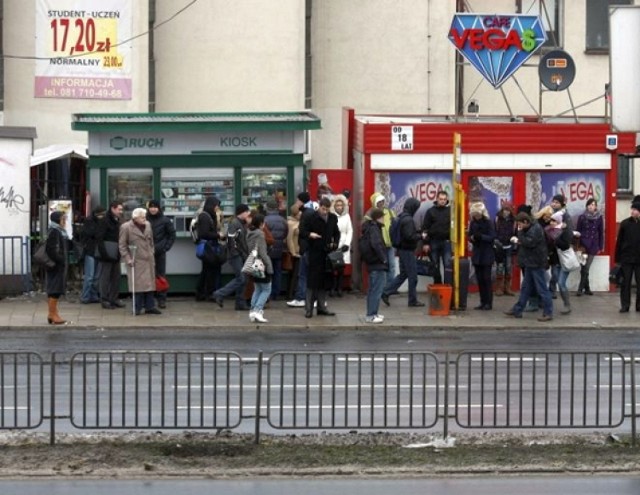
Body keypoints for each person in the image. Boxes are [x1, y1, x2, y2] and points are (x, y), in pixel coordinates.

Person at [504, 212, 554, 321]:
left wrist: (519, 235)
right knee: (525, 288)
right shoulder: (531, 227)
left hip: (536, 263)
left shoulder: (535, 229)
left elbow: (529, 242)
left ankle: (548, 312)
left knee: (542, 289)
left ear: (526, 222)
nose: (519, 227)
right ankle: (518, 309)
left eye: (520, 224)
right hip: (530, 263)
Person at [381, 197, 425, 307]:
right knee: (413, 276)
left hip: (401, 250)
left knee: (403, 274)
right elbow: (409, 236)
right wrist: (421, 236)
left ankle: (386, 292)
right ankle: (412, 300)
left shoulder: (401, 216)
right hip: (407, 251)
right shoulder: (409, 219)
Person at [300, 197, 340, 318]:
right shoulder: (311, 217)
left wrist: (335, 243)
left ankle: (322, 307)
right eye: (323, 209)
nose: (325, 212)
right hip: (314, 252)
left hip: (327, 253)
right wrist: (310, 234)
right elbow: (302, 231)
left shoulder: (332, 218)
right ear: (319, 207)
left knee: (324, 282)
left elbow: (336, 233)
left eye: (327, 209)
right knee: (312, 282)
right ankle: (309, 309)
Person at [118, 208, 160, 316]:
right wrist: (127, 259)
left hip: (148, 259)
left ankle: (150, 306)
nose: (145, 219)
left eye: (145, 217)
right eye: (142, 217)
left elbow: (151, 241)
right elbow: (122, 245)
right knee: (138, 286)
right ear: (135, 218)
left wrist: (152, 252)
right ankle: (137, 307)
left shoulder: (148, 225)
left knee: (150, 284)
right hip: (136, 260)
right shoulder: (126, 227)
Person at [212, 204, 250, 310]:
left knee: (244, 279)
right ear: (242, 212)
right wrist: (236, 254)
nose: (248, 214)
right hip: (235, 255)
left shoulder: (241, 223)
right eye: (247, 212)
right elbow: (232, 240)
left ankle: (240, 303)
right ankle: (219, 293)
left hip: (240, 254)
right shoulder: (235, 223)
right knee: (241, 278)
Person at [146, 199, 176, 309]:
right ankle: (149, 299)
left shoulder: (165, 220)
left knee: (160, 275)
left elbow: (172, 235)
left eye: (155, 207)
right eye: (151, 207)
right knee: (148, 275)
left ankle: (161, 299)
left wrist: (165, 247)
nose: (153, 209)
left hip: (159, 252)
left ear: (159, 208)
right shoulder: (145, 219)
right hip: (147, 252)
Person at [195, 197, 225, 302]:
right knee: (209, 271)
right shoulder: (205, 216)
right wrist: (218, 235)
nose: (217, 208)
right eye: (216, 205)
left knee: (207, 270)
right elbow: (204, 233)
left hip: (210, 247)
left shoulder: (210, 215)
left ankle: (202, 293)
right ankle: (206, 292)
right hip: (208, 247)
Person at [361, 208, 389, 323]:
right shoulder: (374, 229)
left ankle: (373, 313)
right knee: (376, 290)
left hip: (373, 263)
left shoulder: (370, 227)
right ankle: (371, 315)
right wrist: (384, 259)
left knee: (373, 290)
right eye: (382, 217)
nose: (384, 219)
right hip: (377, 264)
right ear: (378, 218)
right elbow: (376, 244)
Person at [96, 201, 125, 310]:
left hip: (116, 252)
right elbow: (99, 238)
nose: (120, 212)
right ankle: (104, 299)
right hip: (107, 253)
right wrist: (104, 253)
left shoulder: (118, 221)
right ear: (113, 209)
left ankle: (114, 298)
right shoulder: (104, 221)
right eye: (119, 209)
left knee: (116, 277)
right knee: (105, 277)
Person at [246, 213, 274, 323]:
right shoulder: (260, 234)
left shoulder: (249, 233)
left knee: (257, 288)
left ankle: (252, 311)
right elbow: (263, 253)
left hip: (253, 263)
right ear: (261, 223)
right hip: (261, 264)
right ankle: (258, 310)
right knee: (266, 289)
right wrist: (269, 266)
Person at [468, 202, 496, 310]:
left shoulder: (488, 222)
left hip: (486, 253)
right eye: (474, 214)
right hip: (477, 253)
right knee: (479, 279)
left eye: (477, 214)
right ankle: (482, 301)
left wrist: (481, 237)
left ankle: (488, 302)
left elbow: (492, 237)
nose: (475, 216)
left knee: (486, 279)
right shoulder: (473, 223)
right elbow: (470, 235)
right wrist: (472, 238)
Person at [45, 211, 71, 325]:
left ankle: (52, 314)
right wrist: (60, 260)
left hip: (57, 265)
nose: (64, 221)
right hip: (55, 266)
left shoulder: (58, 231)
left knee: (55, 290)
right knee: (55, 290)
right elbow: (51, 250)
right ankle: (53, 315)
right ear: (57, 220)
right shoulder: (54, 232)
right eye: (62, 219)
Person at [614, 200, 640, 313]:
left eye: (635, 210)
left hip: (639, 259)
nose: (632, 211)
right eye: (632, 209)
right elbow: (619, 242)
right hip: (626, 258)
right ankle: (625, 305)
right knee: (625, 283)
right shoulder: (625, 223)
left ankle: (639, 305)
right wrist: (617, 258)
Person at [287, 192, 313, 308]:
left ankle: (301, 298)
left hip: (306, 249)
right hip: (307, 249)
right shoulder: (310, 212)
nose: (296, 202)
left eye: (298, 200)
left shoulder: (306, 214)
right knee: (305, 274)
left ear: (302, 201)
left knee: (303, 275)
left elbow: (303, 232)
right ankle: (308, 298)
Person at [366, 192, 396, 284]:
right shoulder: (370, 214)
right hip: (378, 245)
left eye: (382, 201)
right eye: (379, 201)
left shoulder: (390, 212)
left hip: (390, 244)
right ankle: (381, 287)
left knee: (392, 266)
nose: (381, 203)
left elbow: (396, 225)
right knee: (381, 267)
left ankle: (389, 288)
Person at [575, 198, 603, 296]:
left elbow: (600, 233)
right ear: (587, 206)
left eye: (593, 205)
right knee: (583, 267)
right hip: (583, 245)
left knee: (586, 267)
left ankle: (580, 289)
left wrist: (600, 246)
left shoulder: (599, 217)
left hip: (593, 245)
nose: (591, 206)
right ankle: (587, 288)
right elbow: (577, 232)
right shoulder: (582, 217)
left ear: (595, 207)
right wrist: (577, 246)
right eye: (589, 204)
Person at [422, 190, 451, 284]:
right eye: (441, 199)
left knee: (448, 265)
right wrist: (425, 243)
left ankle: (447, 287)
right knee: (435, 265)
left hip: (446, 241)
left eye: (444, 199)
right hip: (433, 241)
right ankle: (438, 287)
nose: (442, 201)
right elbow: (425, 228)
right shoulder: (430, 211)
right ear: (437, 199)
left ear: (447, 200)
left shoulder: (450, 211)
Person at [79, 205, 106, 304]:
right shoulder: (89, 222)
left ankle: (93, 296)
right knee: (90, 276)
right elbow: (92, 233)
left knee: (96, 276)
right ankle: (85, 296)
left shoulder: (99, 221)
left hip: (98, 251)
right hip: (90, 251)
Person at [264, 199, 288, 301]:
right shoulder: (283, 220)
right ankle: (276, 292)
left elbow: (263, 234)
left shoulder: (265, 220)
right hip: (279, 248)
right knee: (277, 271)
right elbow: (286, 233)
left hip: (268, 249)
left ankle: (267, 293)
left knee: (267, 271)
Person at [330, 193, 353, 297]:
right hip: (334, 243)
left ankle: (339, 288)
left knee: (341, 267)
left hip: (343, 243)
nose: (339, 207)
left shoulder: (347, 216)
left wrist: (347, 243)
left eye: (341, 205)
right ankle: (332, 287)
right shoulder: (331, 216)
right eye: (337, 205)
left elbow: (350, 230)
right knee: (332, 267)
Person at [493, 201, 516, 296]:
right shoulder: (497, 219)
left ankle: (507, 288)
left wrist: (515, 240)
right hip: (499, 246)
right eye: (504, 210)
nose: (506, 212)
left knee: (509, 267)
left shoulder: (514, 221)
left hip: (509, 246)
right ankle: (499, 288)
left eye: (508, 210)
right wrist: (495, 241)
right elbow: (494, 231)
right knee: (500, 267)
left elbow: (516, 233)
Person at [285, 204, 302, 301]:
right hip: (295, 252)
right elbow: (289, 239)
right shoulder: (292, 223)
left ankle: (290, 293)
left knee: (293, 274)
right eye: (300, 212)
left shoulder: (296, 222)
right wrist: (293, 252)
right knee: (294, 274)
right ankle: (291, 294)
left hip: (297, 251)